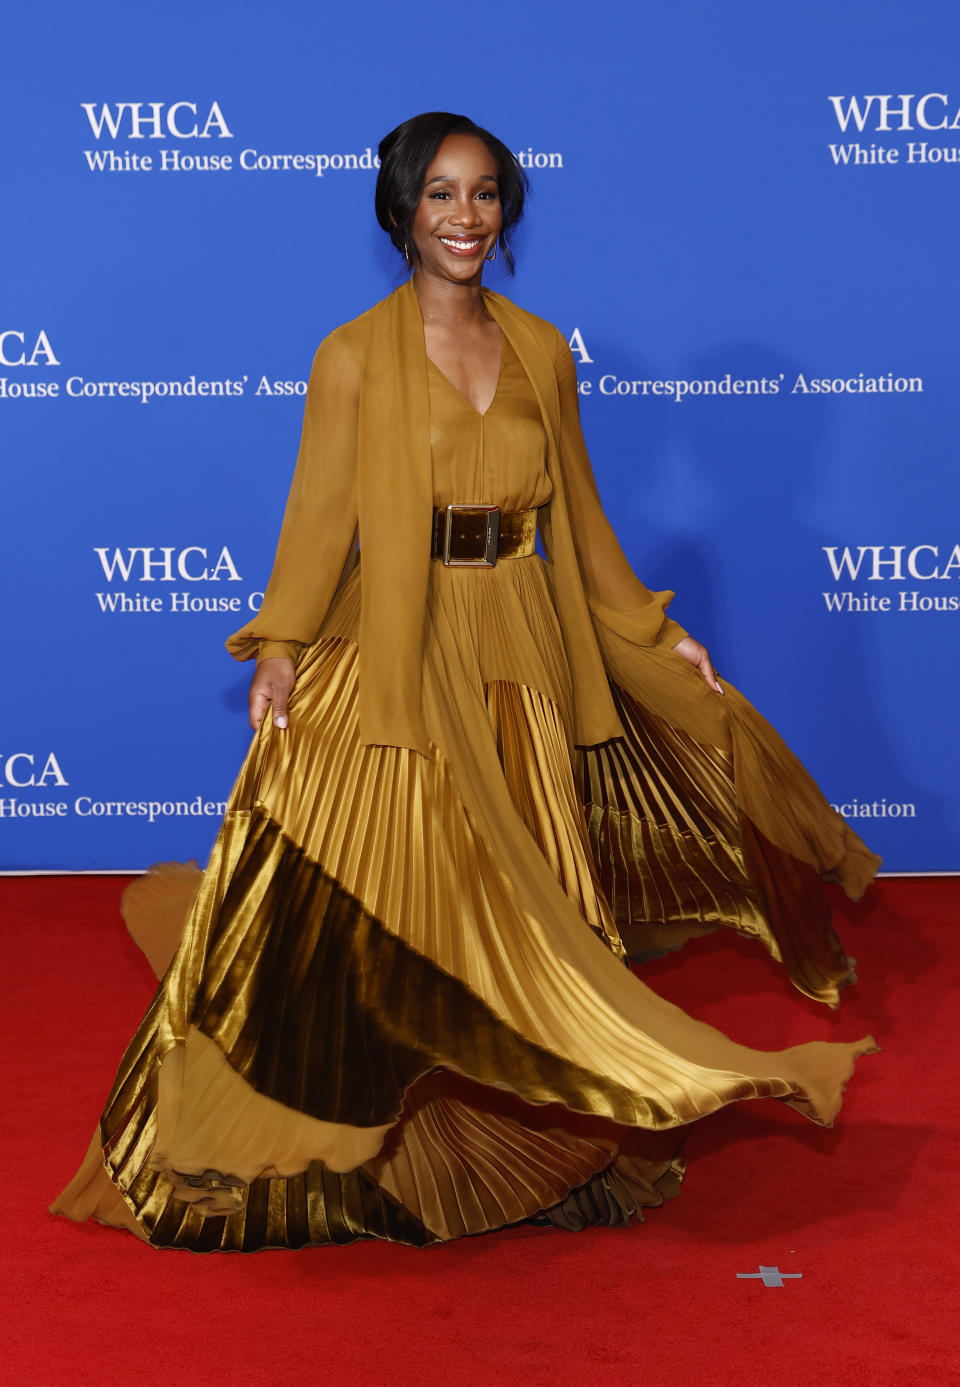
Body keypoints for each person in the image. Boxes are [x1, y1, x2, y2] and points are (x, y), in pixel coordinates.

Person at [51, 112, 880, 1251]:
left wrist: (648, 630)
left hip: (521, 643)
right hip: (404, 642)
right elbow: (319, 518)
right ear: (402, 210)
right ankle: (314, 1141)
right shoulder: (351, 353)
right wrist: (284, 645)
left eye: (484, 194)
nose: (465, 217)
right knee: (390, 894)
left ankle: (550, 1145)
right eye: (440, 195)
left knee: (527, 913)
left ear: (508, 210)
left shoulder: (543, 347)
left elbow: (581, 519)